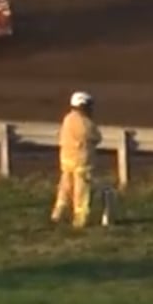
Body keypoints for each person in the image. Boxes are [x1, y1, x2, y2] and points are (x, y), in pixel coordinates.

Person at [52, 90, 101, 229]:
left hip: (66, 159)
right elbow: (96, 137)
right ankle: (80, 220)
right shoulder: (86, 123)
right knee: (81, 192)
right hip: (82, 161)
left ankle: (58, 213)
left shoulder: (67, 119)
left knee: (65, 187)